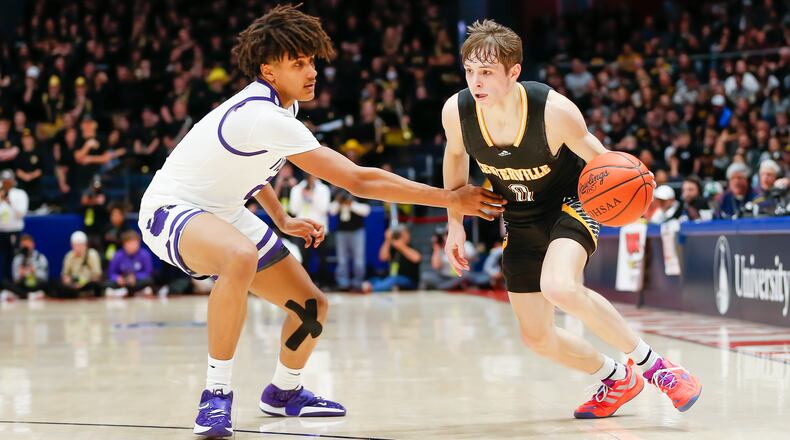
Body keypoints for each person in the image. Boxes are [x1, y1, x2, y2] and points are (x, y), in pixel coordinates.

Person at [136, 6, 504, 438]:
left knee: (311, 307)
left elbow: (248, 171)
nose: (311, 71)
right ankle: (216, 396)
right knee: (239, 255)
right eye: (298, 63)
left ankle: (284, 393)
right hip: (171, 208)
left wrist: (281, 218)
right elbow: (357, 179)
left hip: (224, 209)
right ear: (268, 70)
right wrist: (449, 198)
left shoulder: (281, 111)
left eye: (311, 60)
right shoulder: (262, 115)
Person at [440, 20, 700, 420]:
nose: (476, 81)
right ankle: (615, 377)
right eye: (470, 71)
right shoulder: (457, 112)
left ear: (514, 72)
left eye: (487, 72)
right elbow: (456, 158)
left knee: (559, 286)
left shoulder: (555, 111)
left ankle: (656, 368)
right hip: (520, 216)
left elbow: (603, 161)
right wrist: (455, 223)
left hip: (570, 202)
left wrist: (629, 197)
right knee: (537, 337)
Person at [328, 189, 370, 291]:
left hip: (357, 231)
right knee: (342, 259)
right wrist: (338, 201)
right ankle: (343, 284)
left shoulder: (360, 189)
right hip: (341, 231)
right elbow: (331, 211)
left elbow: (366, 211)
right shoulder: (338, 191)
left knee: (359, 260)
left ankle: (358, 283)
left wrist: (351, 204)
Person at [362, 225, 421, 293]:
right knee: (374, 279)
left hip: (409, 280)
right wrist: (387, 240)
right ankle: (373, 286)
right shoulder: (394, 249)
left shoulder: (412, 247)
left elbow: (417, 258)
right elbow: (382, 257)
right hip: (391, 277)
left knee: (393, 279)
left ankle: (372, 289)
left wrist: (401, 246)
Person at [105, 231, 154, 297]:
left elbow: (148, 272)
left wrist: (136, 277)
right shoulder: (118, 255)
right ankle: (126, 291)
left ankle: (131, 291)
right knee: (107, 283)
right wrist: (118, 278)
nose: (133, 246)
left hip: (137, 282)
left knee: (148, 280)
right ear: (124, 244)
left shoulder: (145, 254)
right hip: (123, 282)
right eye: (130, 243)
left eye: (135, 243)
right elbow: (111, 273)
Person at [0, 233, 48, 301]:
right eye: (24, 246)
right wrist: (20, 275)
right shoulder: (17, 259)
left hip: (36, 285)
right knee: (4, 282)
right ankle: (29, 295)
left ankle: (20, 295)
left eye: (28, 245)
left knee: (49, 285)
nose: (26, 248)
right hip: (22, 285)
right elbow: (15, 279)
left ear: (33, 244)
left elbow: (45, 277)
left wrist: (35, 272)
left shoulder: (40, 258)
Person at [58, 230, 103, 298]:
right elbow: (65, 275)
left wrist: (83, 283)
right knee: (57, 286)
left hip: (87, 283)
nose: (77, 247)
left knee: (95, 286)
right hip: (72, 285)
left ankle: (82, 293)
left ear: (85, 245)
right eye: (75, 245)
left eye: (80, 245)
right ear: (71, 245)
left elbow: (97, 275)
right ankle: (77, 293)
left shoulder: (92, 254)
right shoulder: (69, 256)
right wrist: (69, 281)